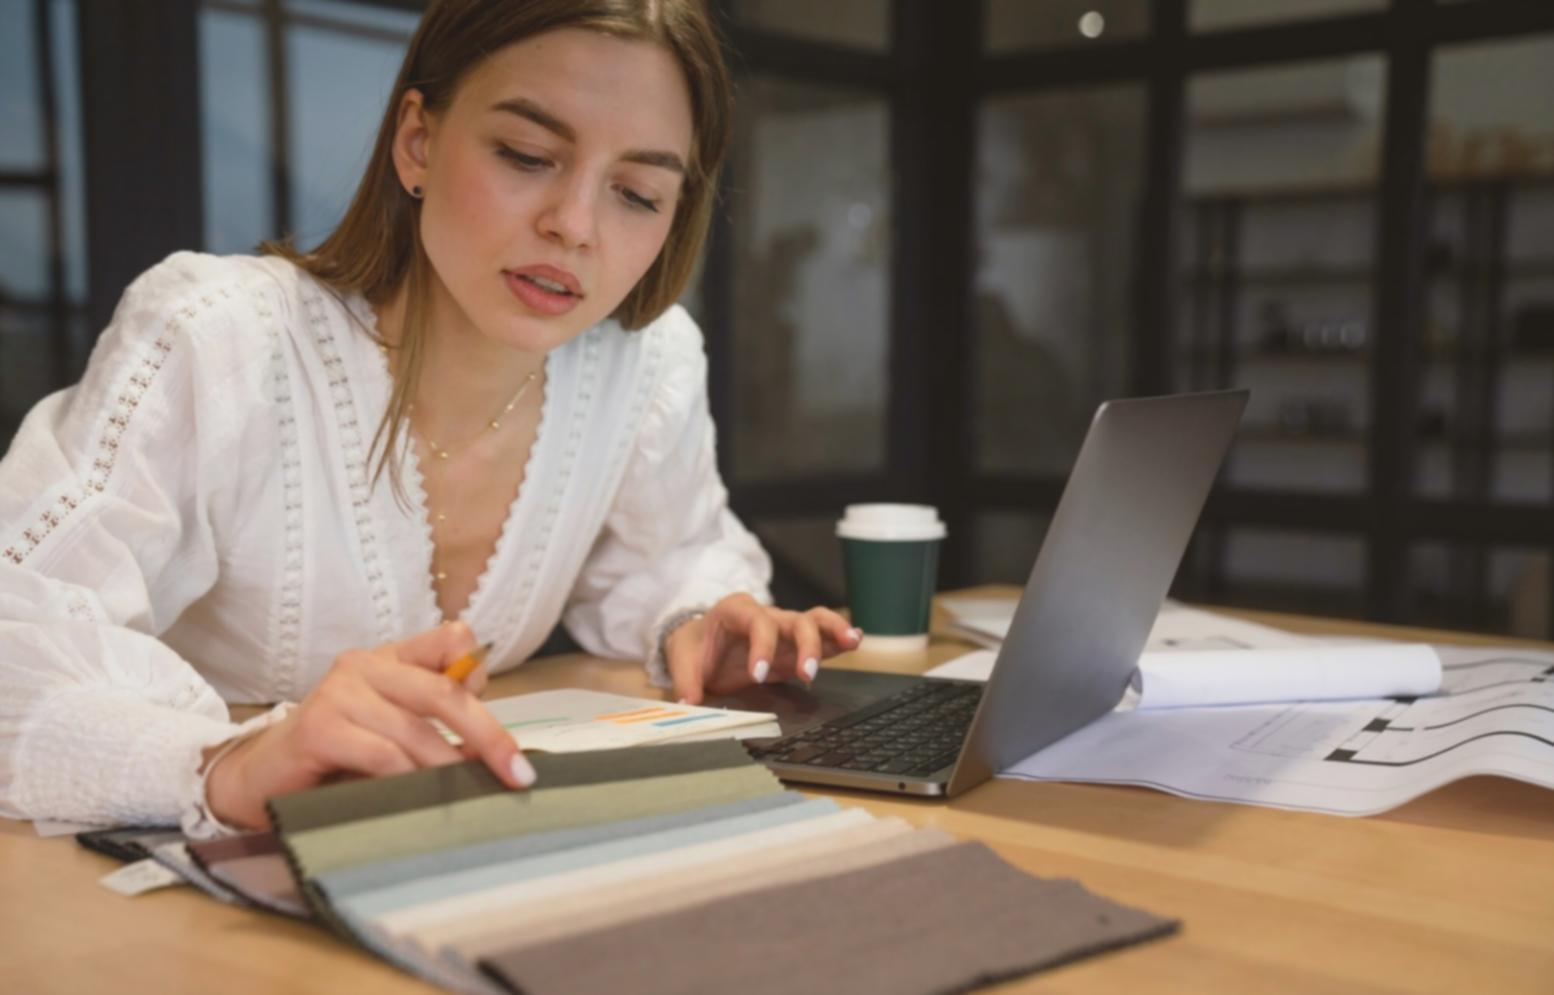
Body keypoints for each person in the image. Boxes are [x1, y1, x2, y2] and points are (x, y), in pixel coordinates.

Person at [0, 0, 860, 837]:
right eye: (527, 154)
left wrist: (701, 619)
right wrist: (221, 762)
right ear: (418, 142)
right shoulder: (219, 341)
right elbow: (15, 627)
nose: (574, 226)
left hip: (452, 854)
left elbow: (674, 551)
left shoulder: (644, 362)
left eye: (636, 194)